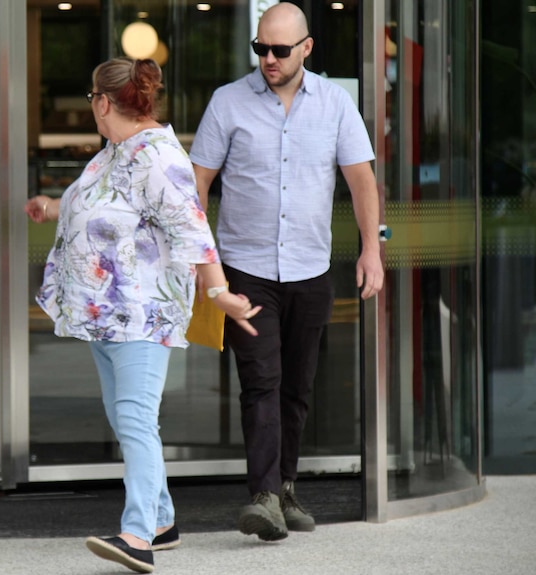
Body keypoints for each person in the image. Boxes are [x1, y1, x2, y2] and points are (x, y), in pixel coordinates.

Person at [25, 57, 261, 573]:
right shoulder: (116, 152)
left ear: (104, 102)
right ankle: (161, 519)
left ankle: (136, 536)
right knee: (126, 417)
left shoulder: (157, 155)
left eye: (92, 97)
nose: (92, 105)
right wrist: (53, 208)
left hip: (141, 313)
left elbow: (191, 228)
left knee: (135, 419)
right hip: (106, 313)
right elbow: (103, 204)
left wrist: (218, 292)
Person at [189, 3, 384, 542]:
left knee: (297, 388)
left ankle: (287, 486)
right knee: (262, 383)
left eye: (279, 50)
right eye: (260, 49)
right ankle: (265, 497)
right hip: (246, 269)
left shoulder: (336, 104)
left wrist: (372, 249)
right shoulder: (227, 102)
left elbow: (362, 181)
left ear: (307, 48)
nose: (268, 59)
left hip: (309, 269)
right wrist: (204, 266)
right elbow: (196, 185)